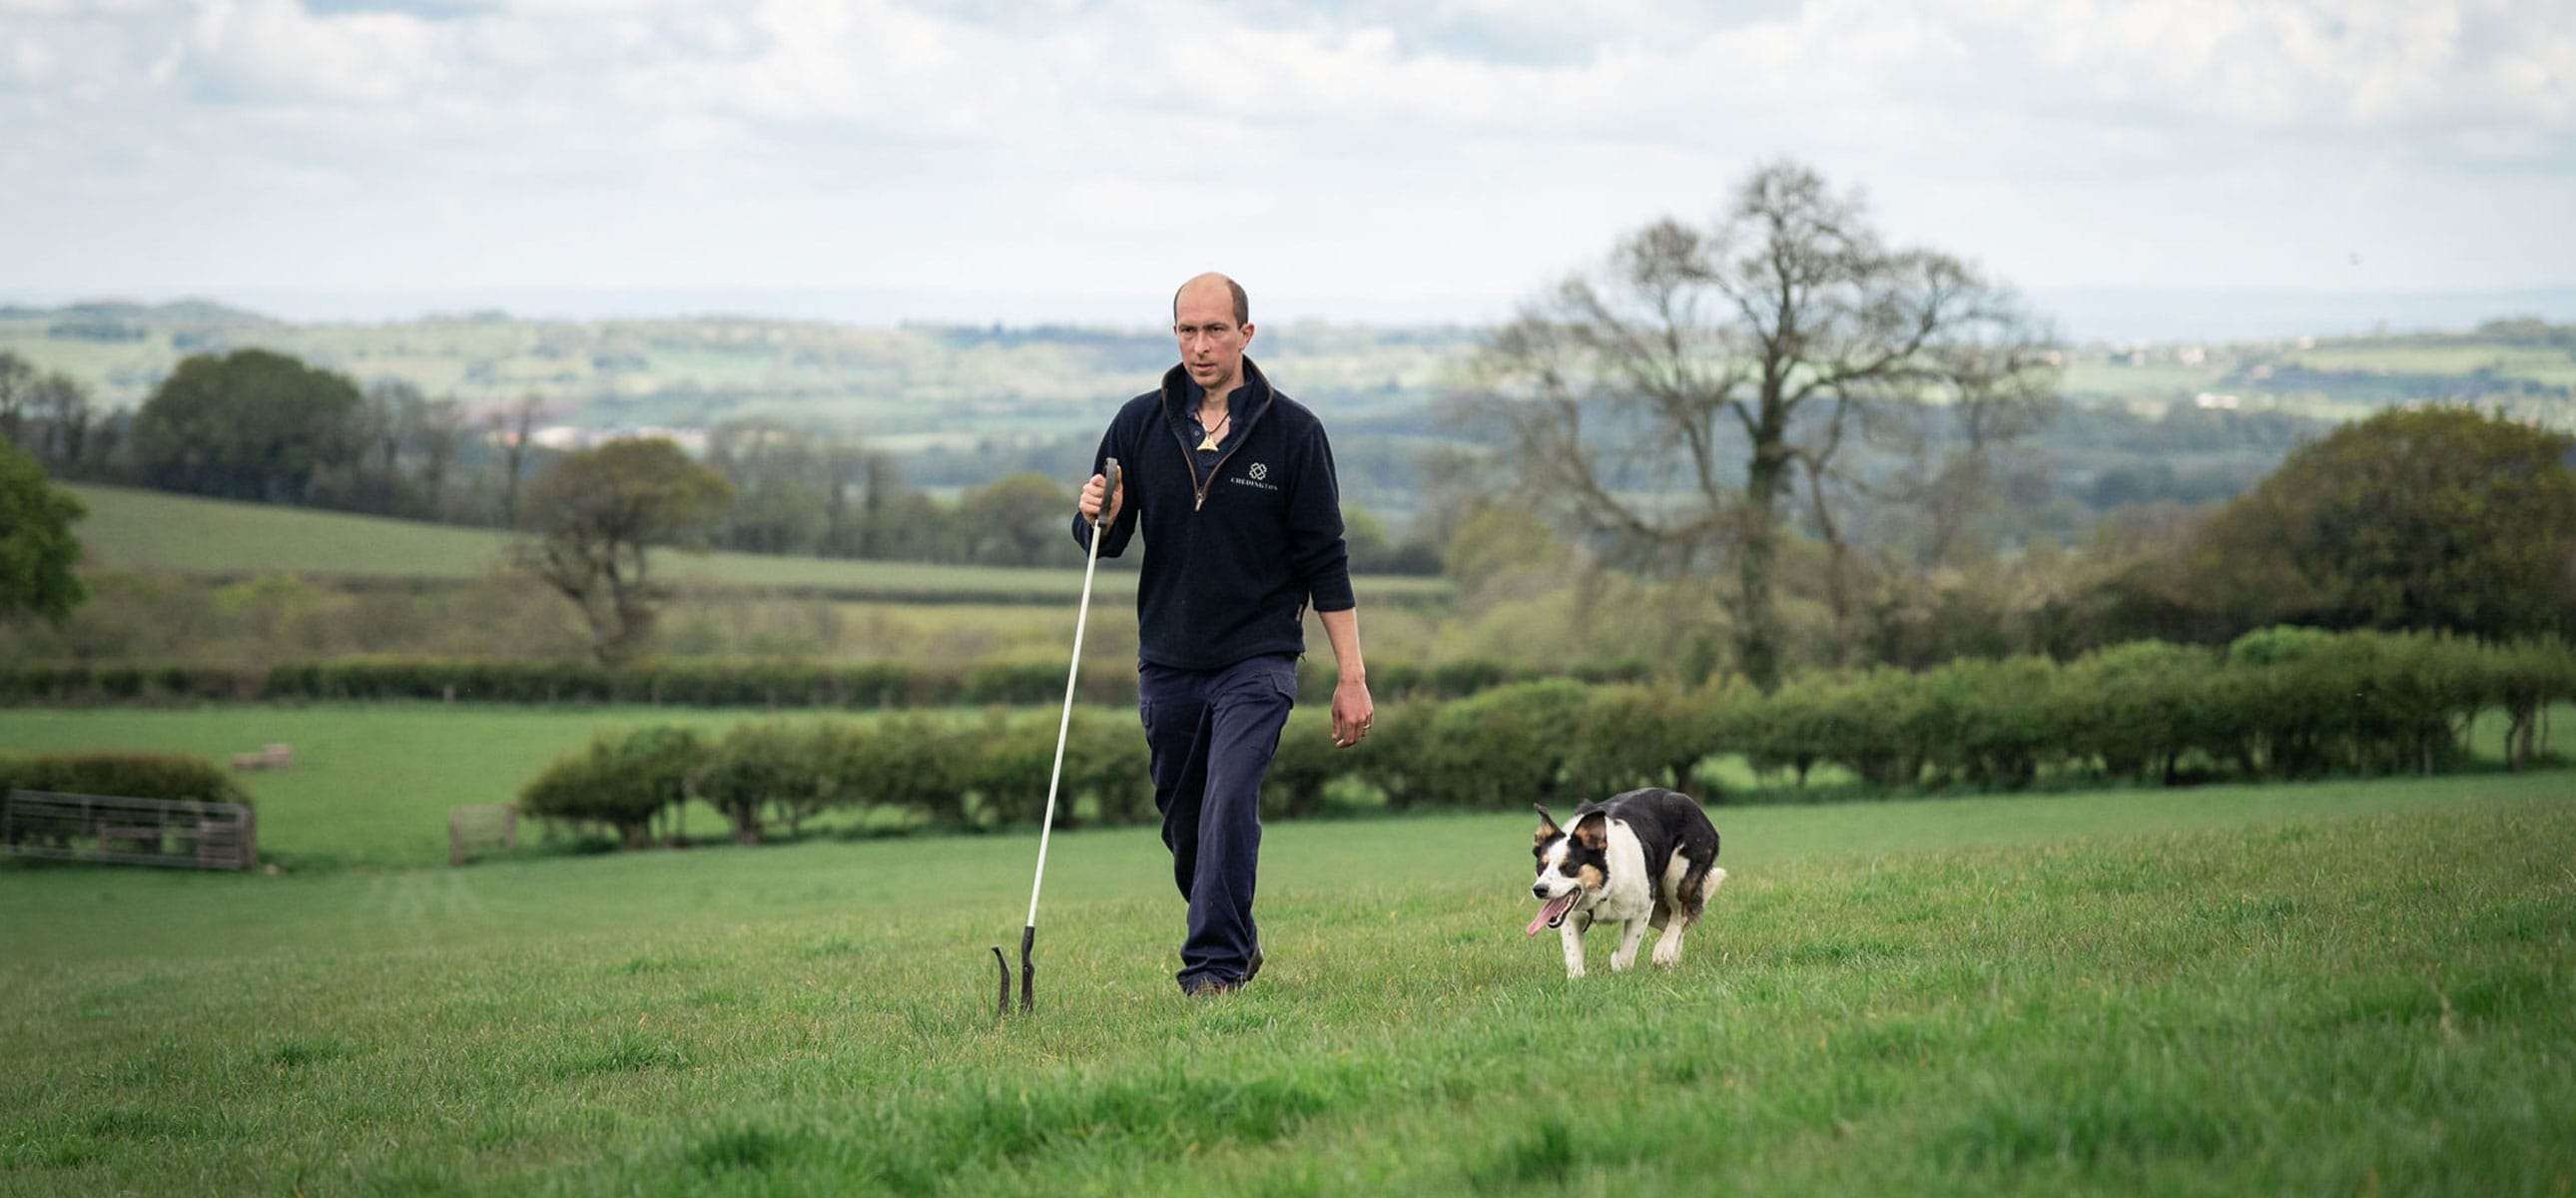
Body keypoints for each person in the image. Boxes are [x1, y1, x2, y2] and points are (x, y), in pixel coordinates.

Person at [1073, 272, 1375, 996]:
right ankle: (1238, 940)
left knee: (1230, 802)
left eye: (1214, 330)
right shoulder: (1138, 424)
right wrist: (1094, 515)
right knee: (1186, 825)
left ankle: (1211, 971)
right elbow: (1100, 543)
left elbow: (1325, 561)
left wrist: (1352, 675)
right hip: (1169, 661)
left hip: (1258, 657)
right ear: (1174, 334)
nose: (1200, 345)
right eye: (1187, 330)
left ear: (1246, 333)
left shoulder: (1294, 432)